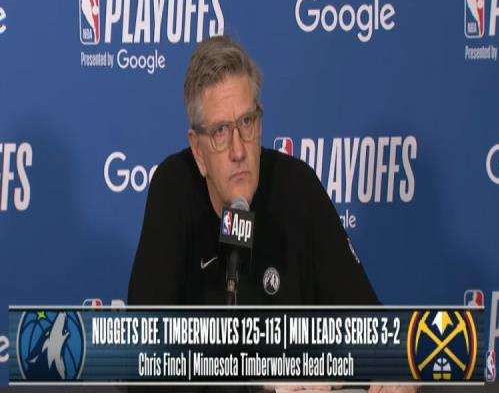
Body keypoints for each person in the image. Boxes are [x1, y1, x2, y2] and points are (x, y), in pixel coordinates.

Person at [128, 35, 417, 393]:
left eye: (246, 122)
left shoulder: (297, 187)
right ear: (198, 151)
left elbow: (370, 324)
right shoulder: (173, 190)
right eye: (220, 132)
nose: (238, 150)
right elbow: (143, 362)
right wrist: (261, 382)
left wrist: (397, 364)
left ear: (260, 125)